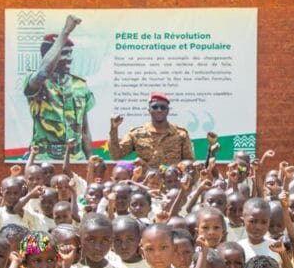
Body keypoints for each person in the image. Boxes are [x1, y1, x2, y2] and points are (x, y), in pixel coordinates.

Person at [23, 15, 94, 161]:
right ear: (51, 55)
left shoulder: (79, 85)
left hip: (76, 159)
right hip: (43, 160)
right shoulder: (37, 81)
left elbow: (85, 130)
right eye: (64, 54)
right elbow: (44, 72)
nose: (70, 59)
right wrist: (65, 32)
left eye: (70, 54)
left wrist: (90, 161)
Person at [108, 93, 196, 167]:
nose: (159, 110)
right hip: (145, 183)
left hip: (171, 182)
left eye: (163, 107)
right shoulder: (137, 134)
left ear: (168, 110)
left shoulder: (180, 134)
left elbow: (189, 162)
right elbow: (116, 155)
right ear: (149, 110)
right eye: (155, 107)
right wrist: (114, 129)